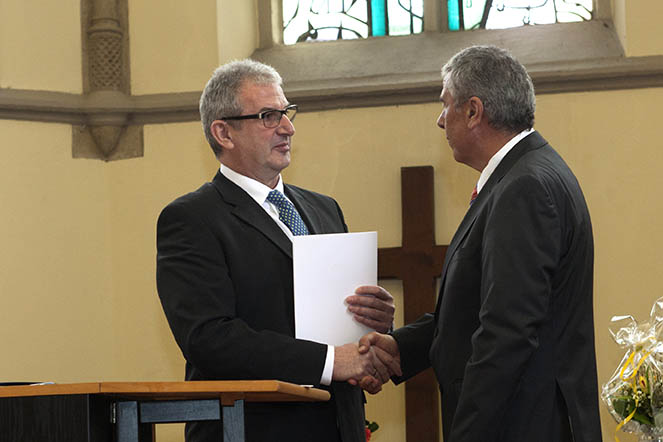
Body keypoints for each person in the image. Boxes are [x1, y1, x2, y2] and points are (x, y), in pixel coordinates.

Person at [359, 45, 602, 441]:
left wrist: (466, 434)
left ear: (474, 111)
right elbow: (480, 308)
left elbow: (507, 332)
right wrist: (401, 349)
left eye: (446, 105)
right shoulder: (524, 174)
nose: (440, 121)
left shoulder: (524, 187)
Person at [156, 59, 396, 442]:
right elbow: (209, 338)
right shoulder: (191, 219)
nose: (288, 127)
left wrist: (375, 328)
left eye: (286, 113)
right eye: (269, 116)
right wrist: (333, 362)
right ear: (224, 133)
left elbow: (338, 318)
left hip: (339, 426)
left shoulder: (324, 208)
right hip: (252, 429)